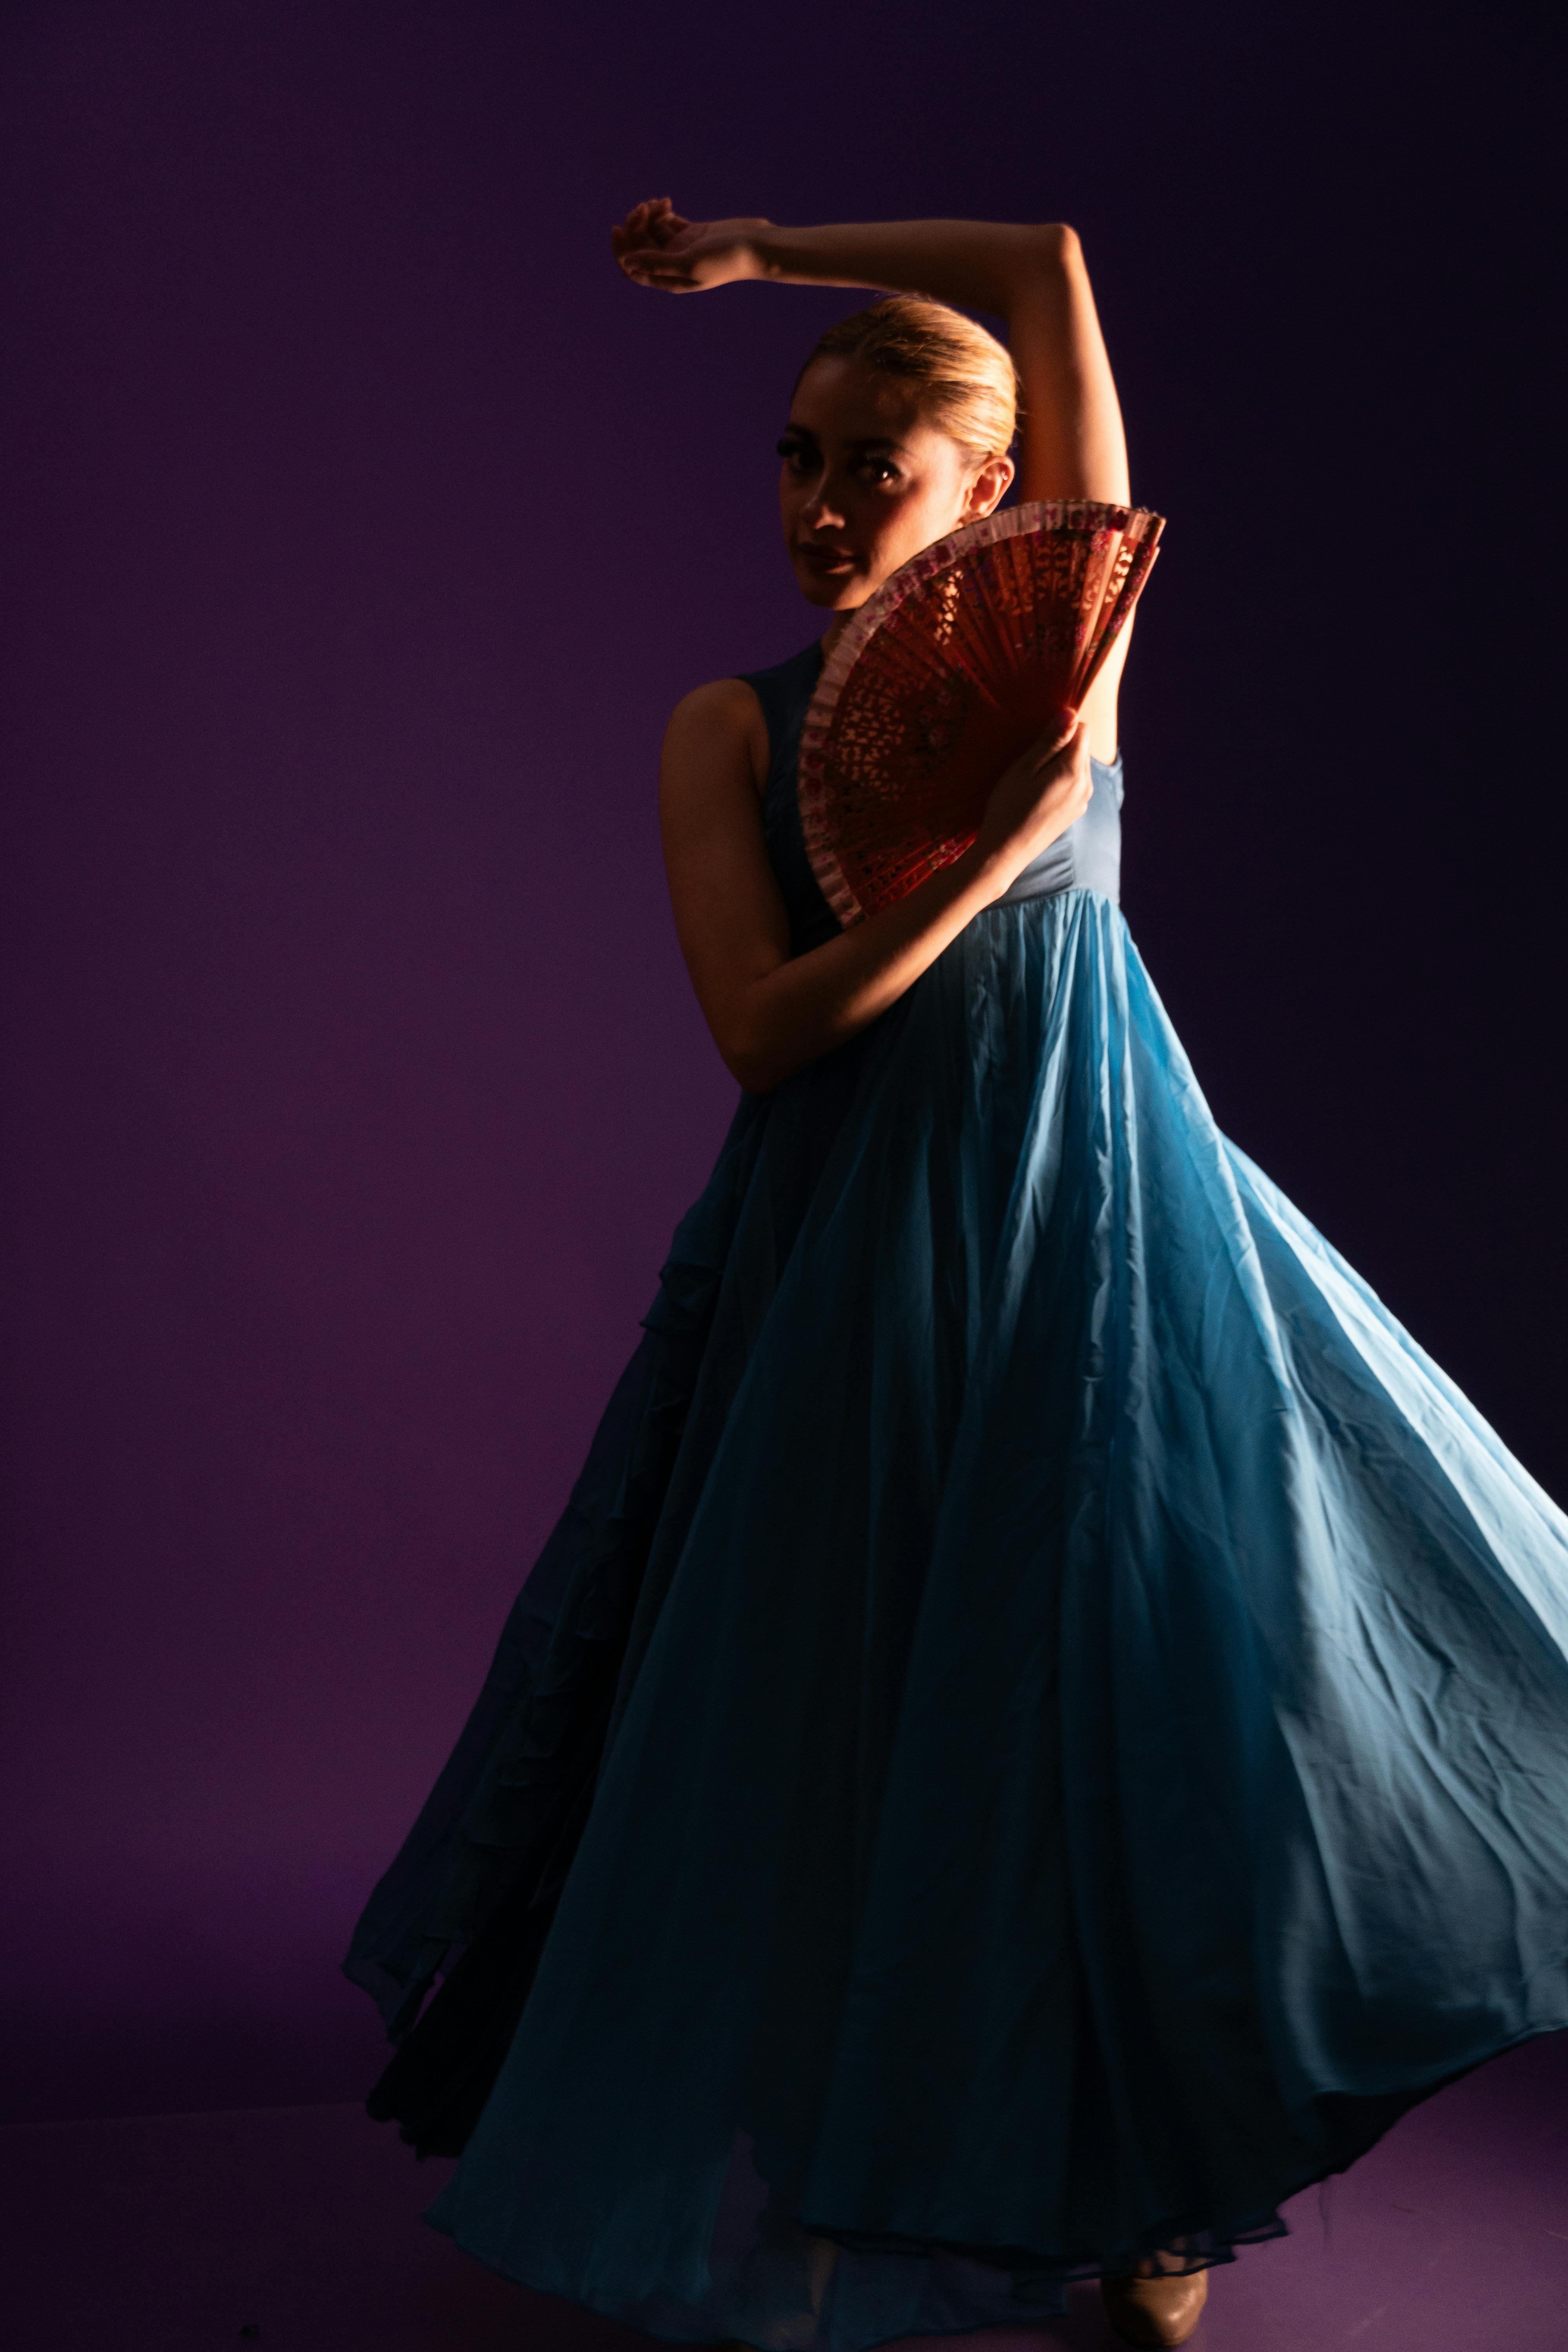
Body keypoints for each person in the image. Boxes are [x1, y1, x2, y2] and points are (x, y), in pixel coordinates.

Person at [346, 208, 1568, 2352]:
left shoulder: (1064, 623)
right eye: (797, 460)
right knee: (869, 1710)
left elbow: (1043, 256)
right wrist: (1000, 850)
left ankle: (1157, 2176)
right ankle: (866, 2156)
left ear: (992, 488)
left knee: (1162, 1702)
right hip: (857, 1254)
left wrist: (759, 247)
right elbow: (766, 1025)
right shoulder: (729, 728)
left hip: (1116, 1219)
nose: (822, 506)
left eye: (872, 467)